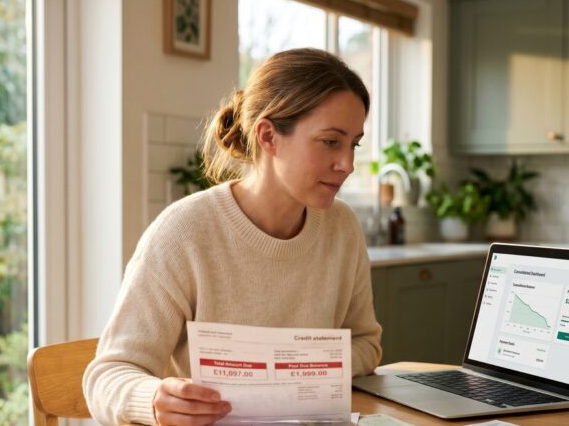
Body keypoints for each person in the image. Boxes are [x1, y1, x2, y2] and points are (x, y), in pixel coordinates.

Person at [82, 48, 383, 426]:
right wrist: (155, 400)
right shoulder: (183, 233)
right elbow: (107, 376)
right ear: (269, 136)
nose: (348, 164)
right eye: (330, 142)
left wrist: (293, 370)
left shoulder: (342, 228)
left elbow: (366, 343)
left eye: (354, 144)